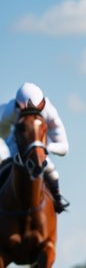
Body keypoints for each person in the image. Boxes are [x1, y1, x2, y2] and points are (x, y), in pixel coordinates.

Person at [0, 82, 70, 212]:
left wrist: (44, 148)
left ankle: (57, 199)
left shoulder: (50, 112)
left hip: (41, 141)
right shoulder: (9, 111)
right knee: (7, 165)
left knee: (51, 170)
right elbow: (3, 134)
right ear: (18, 107)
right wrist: (14, 149)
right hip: (16, 139)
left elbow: (64, 148)